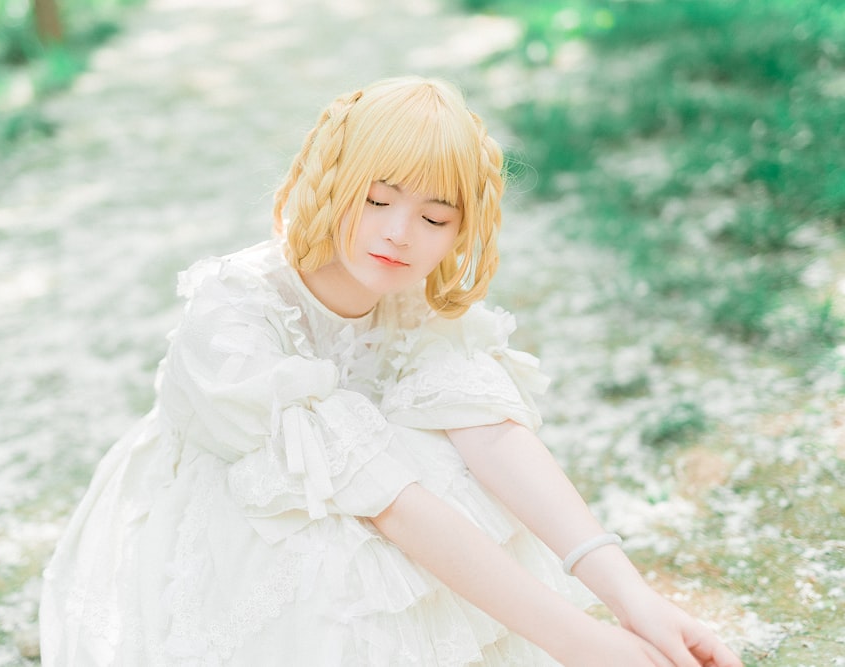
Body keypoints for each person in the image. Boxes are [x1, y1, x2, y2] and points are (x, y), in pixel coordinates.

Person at [39, 76, 743, 667]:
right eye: (376, 201)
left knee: (468, 469)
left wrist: (636, 601)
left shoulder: (416, 302)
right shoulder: (234, 318)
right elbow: (387, 500)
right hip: (237, 511)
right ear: (330, 183)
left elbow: (495, 438)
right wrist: (584, 643)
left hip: (373, 488)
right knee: (329, 554)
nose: (398, 234)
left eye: (434, 217)